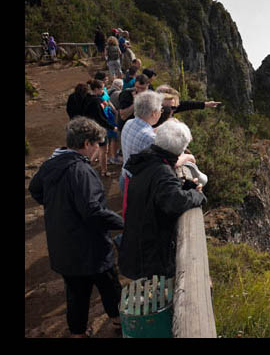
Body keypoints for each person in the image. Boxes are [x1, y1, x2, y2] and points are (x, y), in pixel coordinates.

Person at [28, 117, 124, 338]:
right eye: (99, 144)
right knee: (109, 284)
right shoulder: (81, 171)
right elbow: (93, 211)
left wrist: (59, 207)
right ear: (88, 143)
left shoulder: (51, 164)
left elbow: (35, 188)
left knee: (76, 293)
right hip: (90, 247)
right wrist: (123, 224)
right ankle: (119, 320)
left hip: (63, 245)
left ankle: (78, 333)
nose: (99, 149)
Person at [118, 118, 206, 280]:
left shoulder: (146, 160)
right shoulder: (162, 171)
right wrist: (196, 194)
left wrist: (185, 187)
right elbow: (175, 202)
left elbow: (162, 194)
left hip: (134, 245)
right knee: (151, 291)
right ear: (180, 150)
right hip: (147, 256)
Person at [82, 79, 118, 177]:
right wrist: (112, 127)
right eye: (102, 88)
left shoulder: (86, 98)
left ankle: (88, 163)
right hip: (99, 129)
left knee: (94, 147)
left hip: (89, 126)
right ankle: (104, 171)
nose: (103, 91)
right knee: (104, 150)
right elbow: (101, 118)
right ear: (97, 89)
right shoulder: (96, 101)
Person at [154, 84, 221, 128]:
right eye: (167, 108)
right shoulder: (152, 125)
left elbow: (186, 105)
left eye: (175, 108)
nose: (171, 111)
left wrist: (205, 104)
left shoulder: (167, 110)